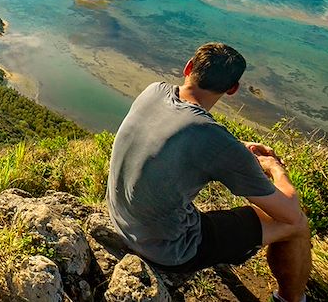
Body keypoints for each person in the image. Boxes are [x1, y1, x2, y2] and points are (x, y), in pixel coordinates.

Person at [107, 42, 311, 302]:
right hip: (171, 249)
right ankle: (289, 299)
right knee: (297, 226)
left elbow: (183, 135)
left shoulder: (154, 91)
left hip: (121, 219)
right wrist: (276, 169)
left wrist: (238, 149)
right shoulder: (214, 140)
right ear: (233, 89)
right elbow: (290, 212)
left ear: (188, 67)